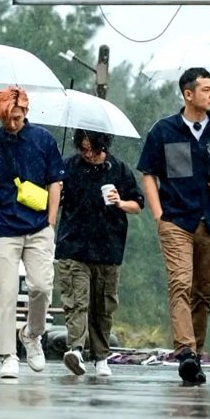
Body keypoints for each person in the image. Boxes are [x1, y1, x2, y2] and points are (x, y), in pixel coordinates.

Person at [137, 68, 210, 385]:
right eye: (206, 89)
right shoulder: (164, 131)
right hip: (176, 221)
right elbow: (148, 174)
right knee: (180, 283)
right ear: (188, 94)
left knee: (202, 293)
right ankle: (185, 352)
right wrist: (158, 215)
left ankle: (195, 355)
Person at [0, 85, 65, 380]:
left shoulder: (44, 139)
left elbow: (56, 182)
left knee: (40, 287)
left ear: (26, 112)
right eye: (7, 118)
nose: (13, 123)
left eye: (18, 116)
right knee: (6, 293)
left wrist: (50, 221)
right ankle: (8, 354)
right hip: (3, 228)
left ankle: (32, 335)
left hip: (38, 227)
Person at [55, 128, 144, 378]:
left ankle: (101, 357)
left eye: (92, 148)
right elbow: (53, 198)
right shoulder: (68, 167)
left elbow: (137, 205)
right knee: (76, 302)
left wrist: (119, 202)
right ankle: (75, 350)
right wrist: (57, 190)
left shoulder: (119, 170)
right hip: (73, 246)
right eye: (83, 148)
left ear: (102, 144)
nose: (88, 153)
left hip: (109, 248)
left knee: (103, 307)